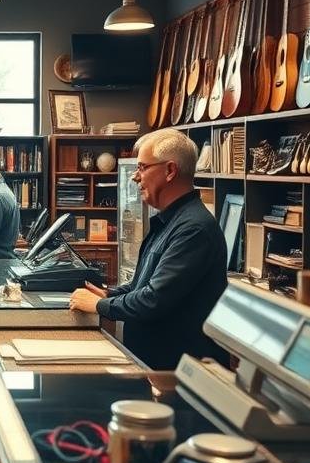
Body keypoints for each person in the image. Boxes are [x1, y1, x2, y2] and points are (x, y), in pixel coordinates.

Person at [68, 128, 229, 370]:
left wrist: (99, 306)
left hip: (174, 373)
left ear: (170, 171)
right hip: (153, 365)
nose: (135, 177)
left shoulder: (194, 229)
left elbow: (153, 300)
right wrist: (110, 294)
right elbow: (141, 286)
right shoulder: (169, 222)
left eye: (142, 167)